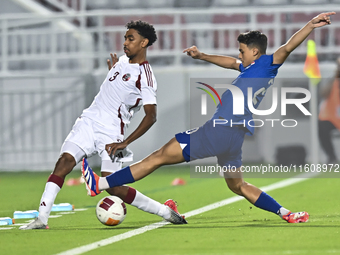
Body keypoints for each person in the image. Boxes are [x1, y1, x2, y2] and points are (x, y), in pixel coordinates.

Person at [83, 12, 335, 223]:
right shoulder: (253, 66)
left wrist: (311, 25)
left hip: (218, 131)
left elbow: (289, 45)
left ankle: (101, 184)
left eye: (242, 51)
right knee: (237, 185)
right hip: (234, 137)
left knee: (158, 157)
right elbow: (229, 63)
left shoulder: (269, 62)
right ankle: (286, 213)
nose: (239, 55)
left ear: (256, 52)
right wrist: (202, 56)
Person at [20, 20, 186, 230]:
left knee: (113, 186)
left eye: (131, 38)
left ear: (144, 43)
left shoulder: (145, 76)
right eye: (125, 37)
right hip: (88, 122)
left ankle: (165, 211)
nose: (125, 42)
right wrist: (113, 73)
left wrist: (125, 142)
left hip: (111, 132)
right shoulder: (122, 62)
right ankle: (41, 218)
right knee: (64, 162)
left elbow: (151, 116)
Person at [318, 57, 340, 164]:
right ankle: (332, 157)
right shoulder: (333, 80)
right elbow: (323, 93)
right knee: (322, 127)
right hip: (333, 117)